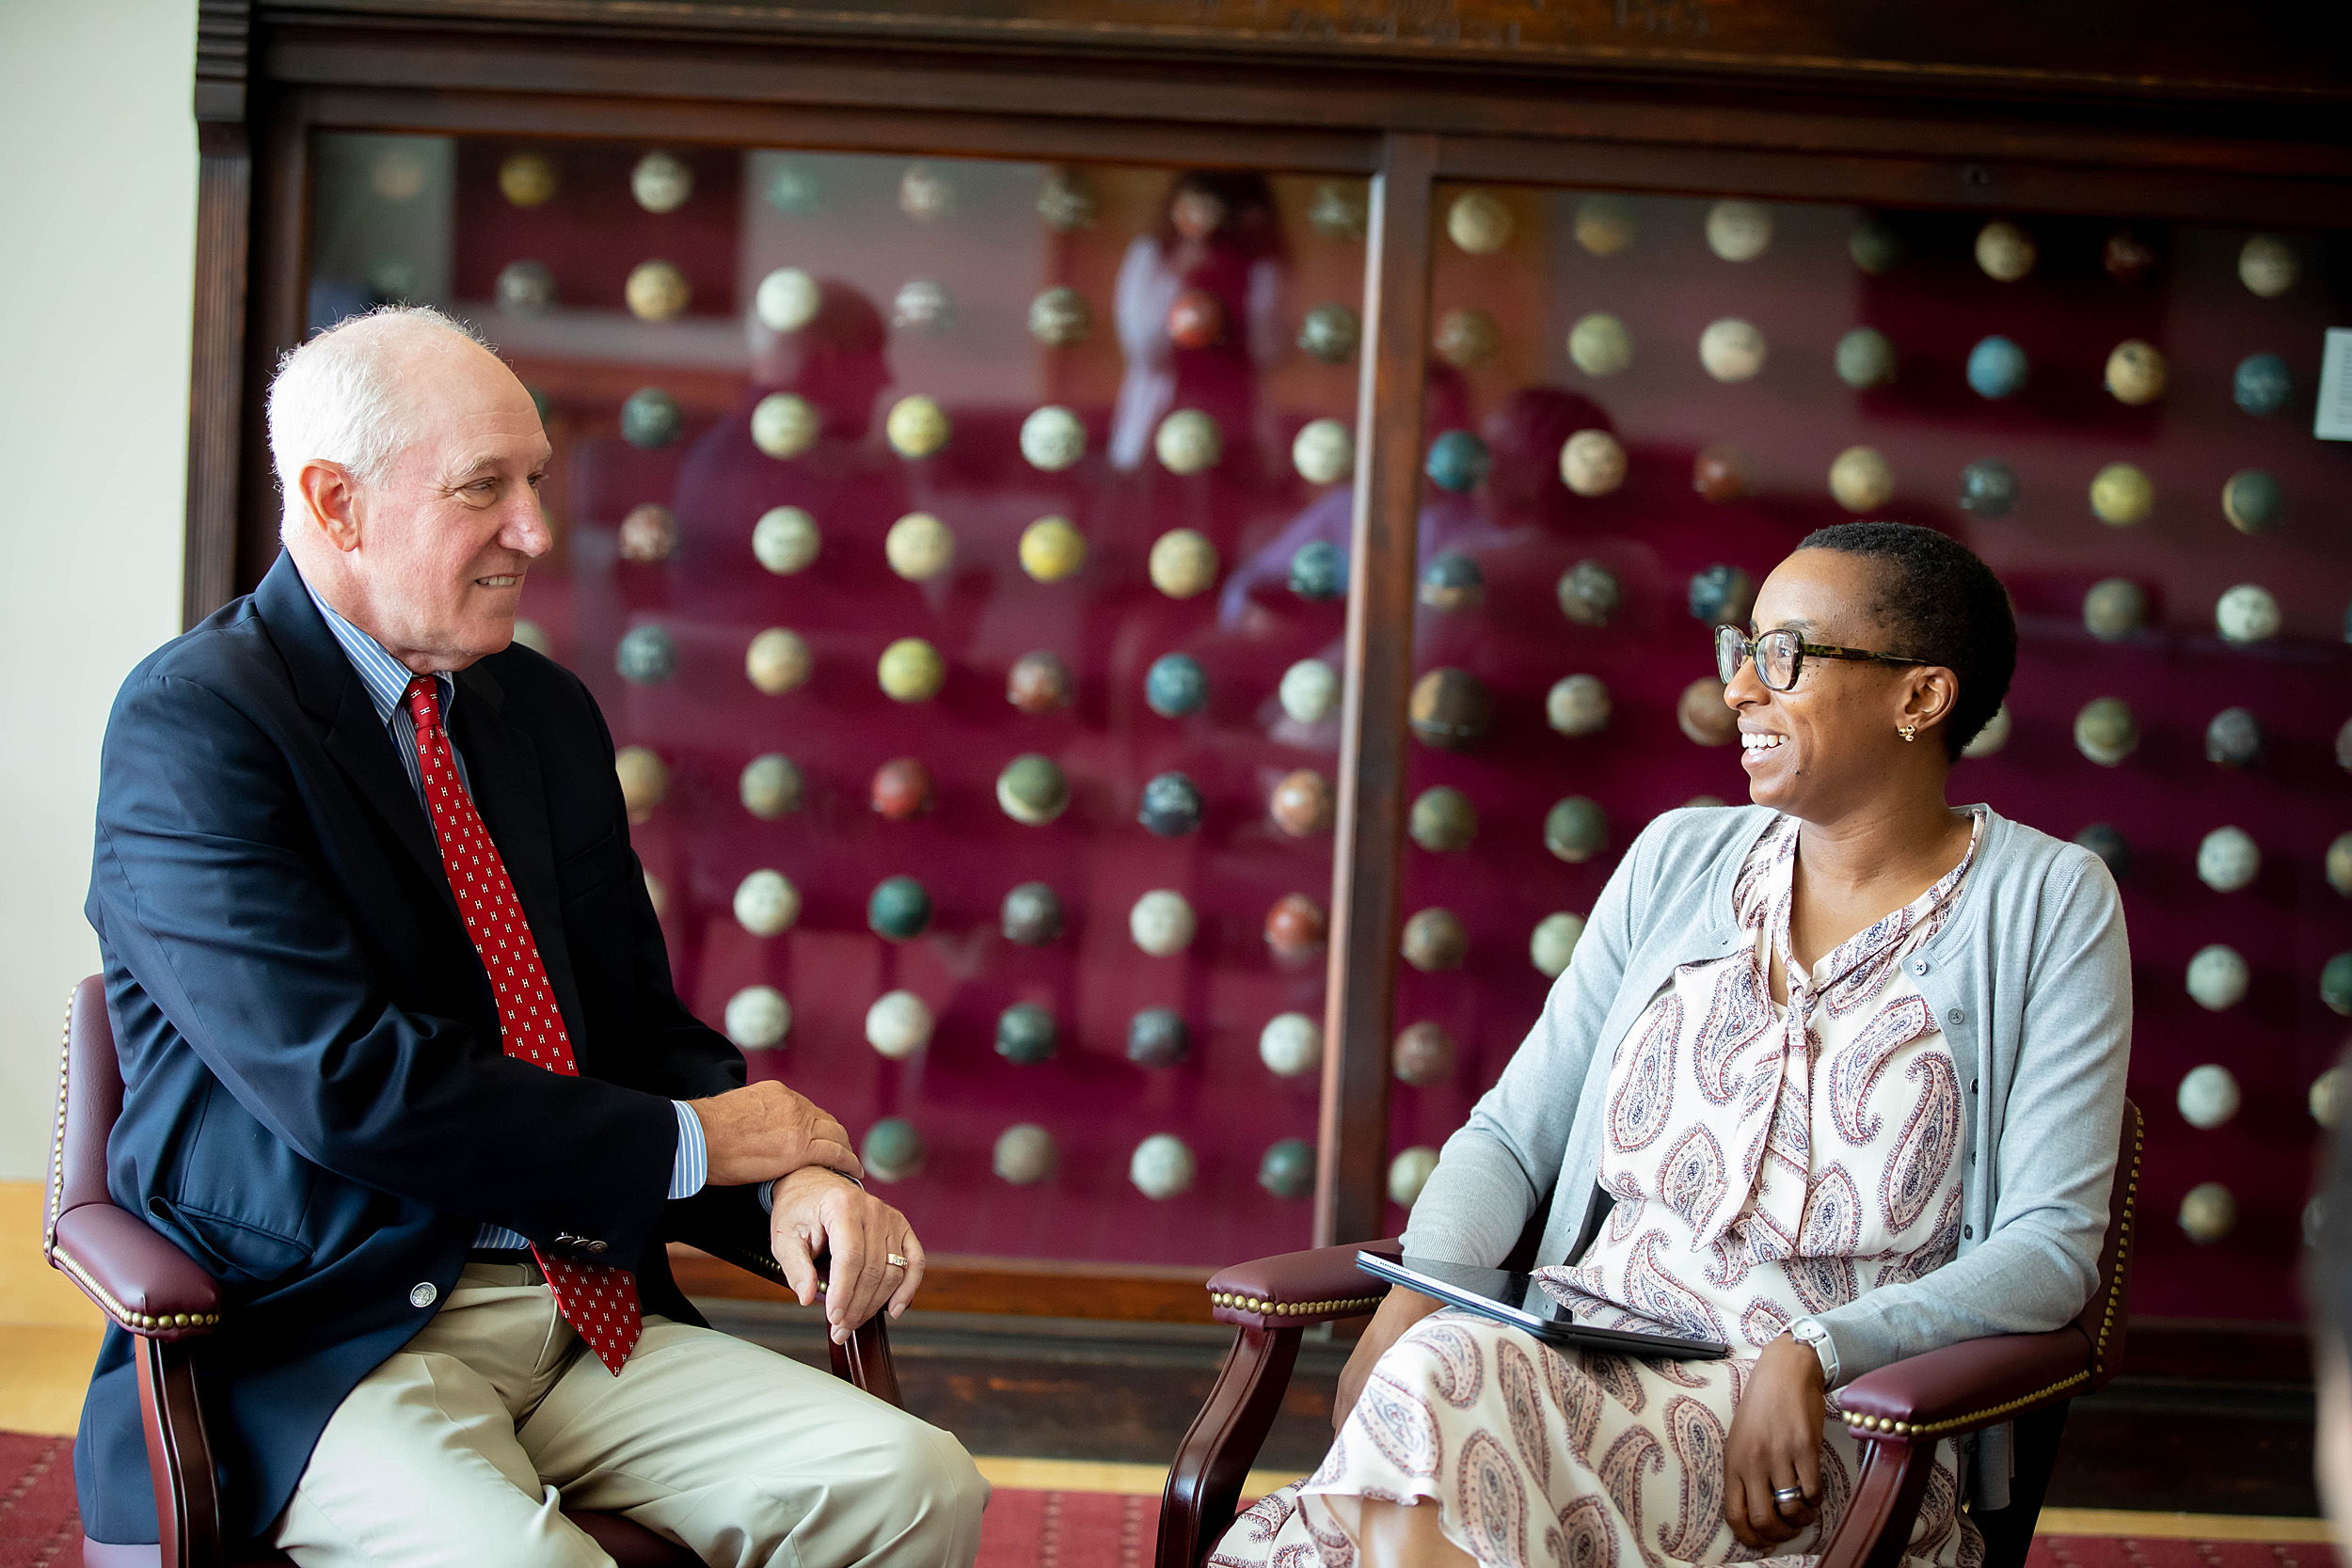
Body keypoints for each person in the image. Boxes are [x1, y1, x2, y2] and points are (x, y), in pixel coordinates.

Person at [78, 305, 988, 1566]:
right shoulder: (194, 728)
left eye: (537, 482)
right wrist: (702, 1141)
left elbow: (628, 1026)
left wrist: (790, 1177)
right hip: (326, 1337)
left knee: (914, 1479)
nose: (537, 531)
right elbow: (352, 1085)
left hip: (582, 1310)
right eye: (484, 489)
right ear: (337, 503)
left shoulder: (541, 712)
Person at [1215, 523, 2130, 1568]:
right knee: (1436, 1375)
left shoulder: (2047, 900)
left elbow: (2052, 1247)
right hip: (1571, 1368)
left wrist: (1816, 1354)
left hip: (1825, 1434)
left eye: (1784, 656)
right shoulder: (1678, 856)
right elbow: (1512, 1136)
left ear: (1920, 698)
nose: (1740, 687)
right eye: (1739, 647)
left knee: (1428, 1414)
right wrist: (1417, 1297)